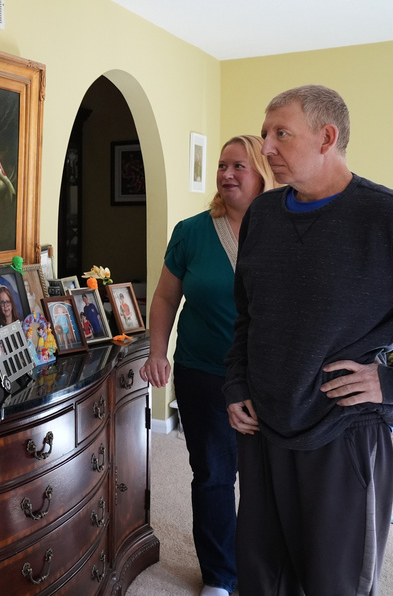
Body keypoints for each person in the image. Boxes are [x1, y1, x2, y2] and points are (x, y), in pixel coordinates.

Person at [223, 85, 393, 595]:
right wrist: (236, 384)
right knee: (263, 580)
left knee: (335, 585)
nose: (265, 147)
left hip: (343, 433)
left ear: (327, 137)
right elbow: (246, 313)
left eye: (281, 134)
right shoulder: (263, 216)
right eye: (265, 133)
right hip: (263, 430)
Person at [140, 134, 277, 596]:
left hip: (271, 378)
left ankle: (265, 569)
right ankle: (220, 576)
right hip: (204, 373)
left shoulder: (286, 228)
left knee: (268, 478)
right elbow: (163, 297)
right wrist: (157, 352)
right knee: (214, 475)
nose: (227, 174)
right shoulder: (192, 232)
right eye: (222, 165)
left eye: (239, 166)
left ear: (263, 173)